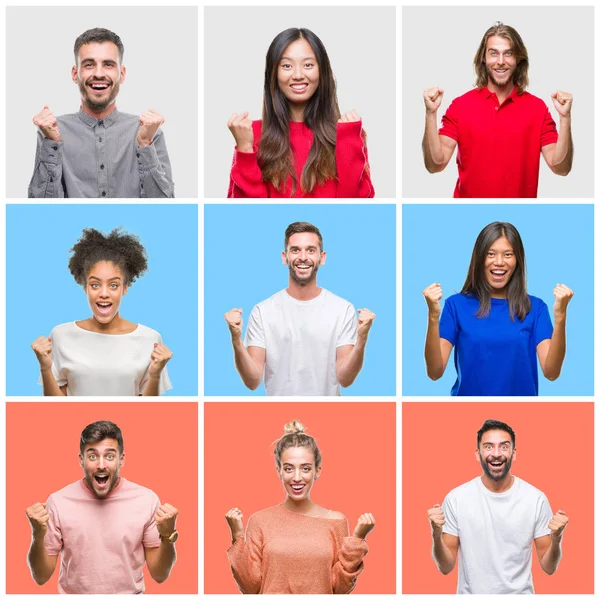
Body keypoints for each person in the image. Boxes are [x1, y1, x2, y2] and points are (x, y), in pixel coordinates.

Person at [25, 420, 179, 593]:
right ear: (81, 460)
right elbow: (40, 577)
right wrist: (38, 536)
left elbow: (159, 575)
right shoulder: (59, 502)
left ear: (121, 460)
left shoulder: (146, 500)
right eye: (92, 456)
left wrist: (167, 536)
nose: (101, 465)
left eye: (109, 456)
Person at [422, 22, 573, 198]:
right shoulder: (461, 106)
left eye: (508, 53)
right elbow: (435, 165)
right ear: (484, 58)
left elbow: (561, 168)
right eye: (493, 53)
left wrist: (565, 118)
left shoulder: (537, 109)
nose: (501, 62)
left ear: (518, 59)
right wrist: (430, 114)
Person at [224, 221, 375, 395]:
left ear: (322, 257)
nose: (303, 257)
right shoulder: (263, 311)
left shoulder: (342, 309)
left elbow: (345, 379)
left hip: (327, 415)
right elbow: (252, 381)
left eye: (310, 250)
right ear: (284, 257)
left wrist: (362, 339)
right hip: (278, 416)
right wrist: (236, 339)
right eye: (295, 250)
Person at [423, 221, 573, 396]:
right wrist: (433, 317)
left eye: (508, 254)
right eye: (491, 254)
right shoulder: (456, 305)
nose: (499, 262)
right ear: (479, 259)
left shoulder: (536, 308)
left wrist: (560, 316)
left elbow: (551, 372)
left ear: (517, 260)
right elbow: (434, 372)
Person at [225, 420, 375, 594]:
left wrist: (358, 537)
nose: (297, 477)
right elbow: (251, 588)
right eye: (289, 469)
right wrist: (236, 535)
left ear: (317, 471)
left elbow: (340, 589)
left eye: (305, 468)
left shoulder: (336, 521)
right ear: (279, 471)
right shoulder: (260, 520)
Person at [227, 27, 374, 198]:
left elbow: (357, 212)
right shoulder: (252, 134)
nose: (298, 75)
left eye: (308, 65)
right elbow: (244, 215)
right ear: (273, 74)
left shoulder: (347, 133)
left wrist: (349, 141)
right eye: (287, 65)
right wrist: (245, 148)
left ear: (322, 71)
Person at [28, 27, 174, 198]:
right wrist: (52, 143)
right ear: (75, 74)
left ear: (122, 74)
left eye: (108, 64)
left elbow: (166, 211)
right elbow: (40, 212)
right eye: (89, 65)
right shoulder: (52, 132)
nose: (98, 73)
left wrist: (145, 145)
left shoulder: (149, 132)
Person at [427, 419, 568, 594]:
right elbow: (446, 566)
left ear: (513, 453)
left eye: (503, 446)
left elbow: (549, 567)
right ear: (478, 454)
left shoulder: (535, 499)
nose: (496, 453)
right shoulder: (457, 498)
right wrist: (436, 534)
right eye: (488, 446)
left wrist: (556, 539)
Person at [31, 227, 173, 396]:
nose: (104, 293)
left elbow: (148, 412)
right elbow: (56, 410)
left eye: (113, 285)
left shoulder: (150, 339)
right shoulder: (61, 335)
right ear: (85, 287)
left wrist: (155, 375)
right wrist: (45, 368)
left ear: (125, 288)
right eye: (95, 285)